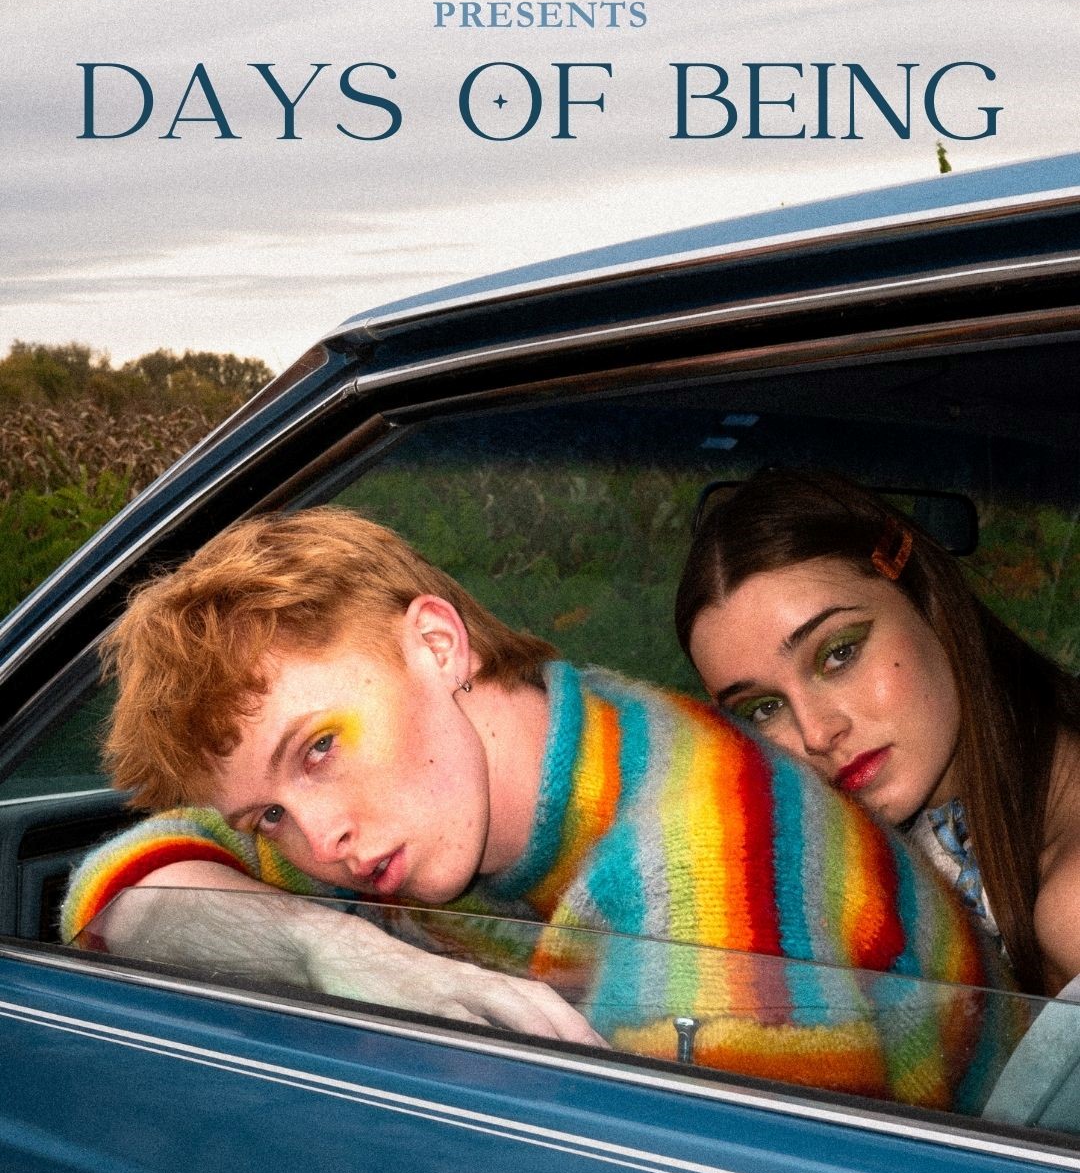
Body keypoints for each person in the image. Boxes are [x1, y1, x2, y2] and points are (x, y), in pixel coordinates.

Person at [62, 506, 1017, 1107]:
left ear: (437, 646)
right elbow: (125, 883)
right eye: (265, 818)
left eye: (319, 749)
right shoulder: (547, 732)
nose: (320, 840)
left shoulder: (703, 871)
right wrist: (337, 953)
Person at [676, 468, 1080, 996]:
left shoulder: (1068, 907)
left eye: (839, 652)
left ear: (928, 602)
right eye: (763, 707)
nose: (817, 733)